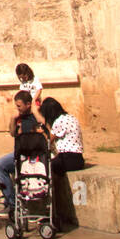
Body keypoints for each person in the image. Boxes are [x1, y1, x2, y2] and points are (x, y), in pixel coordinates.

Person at [35, 96, 85, 230]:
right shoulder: (71, 117)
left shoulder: (59, 121)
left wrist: (41, 131)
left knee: (43, 170)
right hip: (77, 159)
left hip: (68, 158)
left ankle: (48, 210)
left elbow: (47, 141)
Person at [0, 90, 39, 213]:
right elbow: (12, 133)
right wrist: (13, 119)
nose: (17, 109)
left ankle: (13, 203)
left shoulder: (34, 118)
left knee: (1, 166)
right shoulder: (19, 117)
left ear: (28, 104)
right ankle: (11, 202)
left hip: (29, 156)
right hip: (18, 154)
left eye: (19, 106)